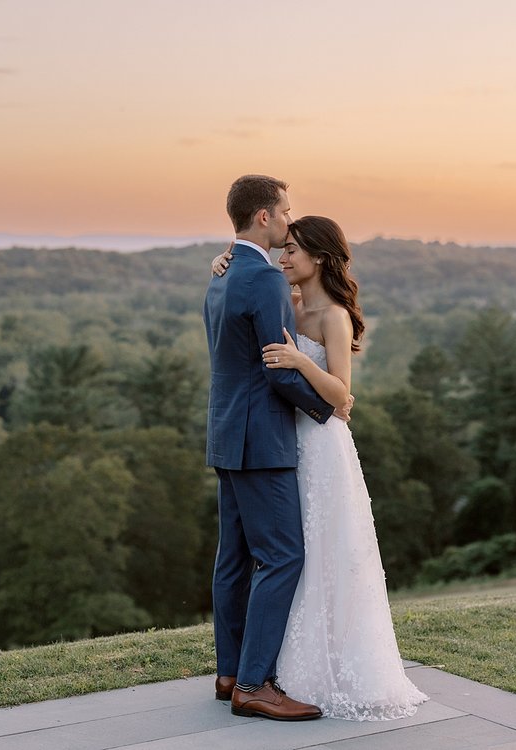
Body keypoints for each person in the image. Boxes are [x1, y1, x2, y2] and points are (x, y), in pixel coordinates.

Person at [211, 215, 429, 720]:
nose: (283, 258)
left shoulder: (333, 315)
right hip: (286, 443)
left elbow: (341, 394)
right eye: (282, 249)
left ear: (320, 258)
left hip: (322, 444)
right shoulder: (285, 302)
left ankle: (324, 663)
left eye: (292, 251)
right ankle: (278, 668)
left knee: (325, 551)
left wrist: (300, 361)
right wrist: (221, 259)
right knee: (291, 555)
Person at [203, 175, 351, 721]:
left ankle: (229, 672)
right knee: (283, 555)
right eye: (286, 212)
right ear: (264, 216)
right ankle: (256, 684)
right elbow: (275, 367)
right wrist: (328, 409)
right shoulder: (263, 279)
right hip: (262, 439)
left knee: (234, 559)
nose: (291, 221)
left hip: (226, 434)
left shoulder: (219, 277)